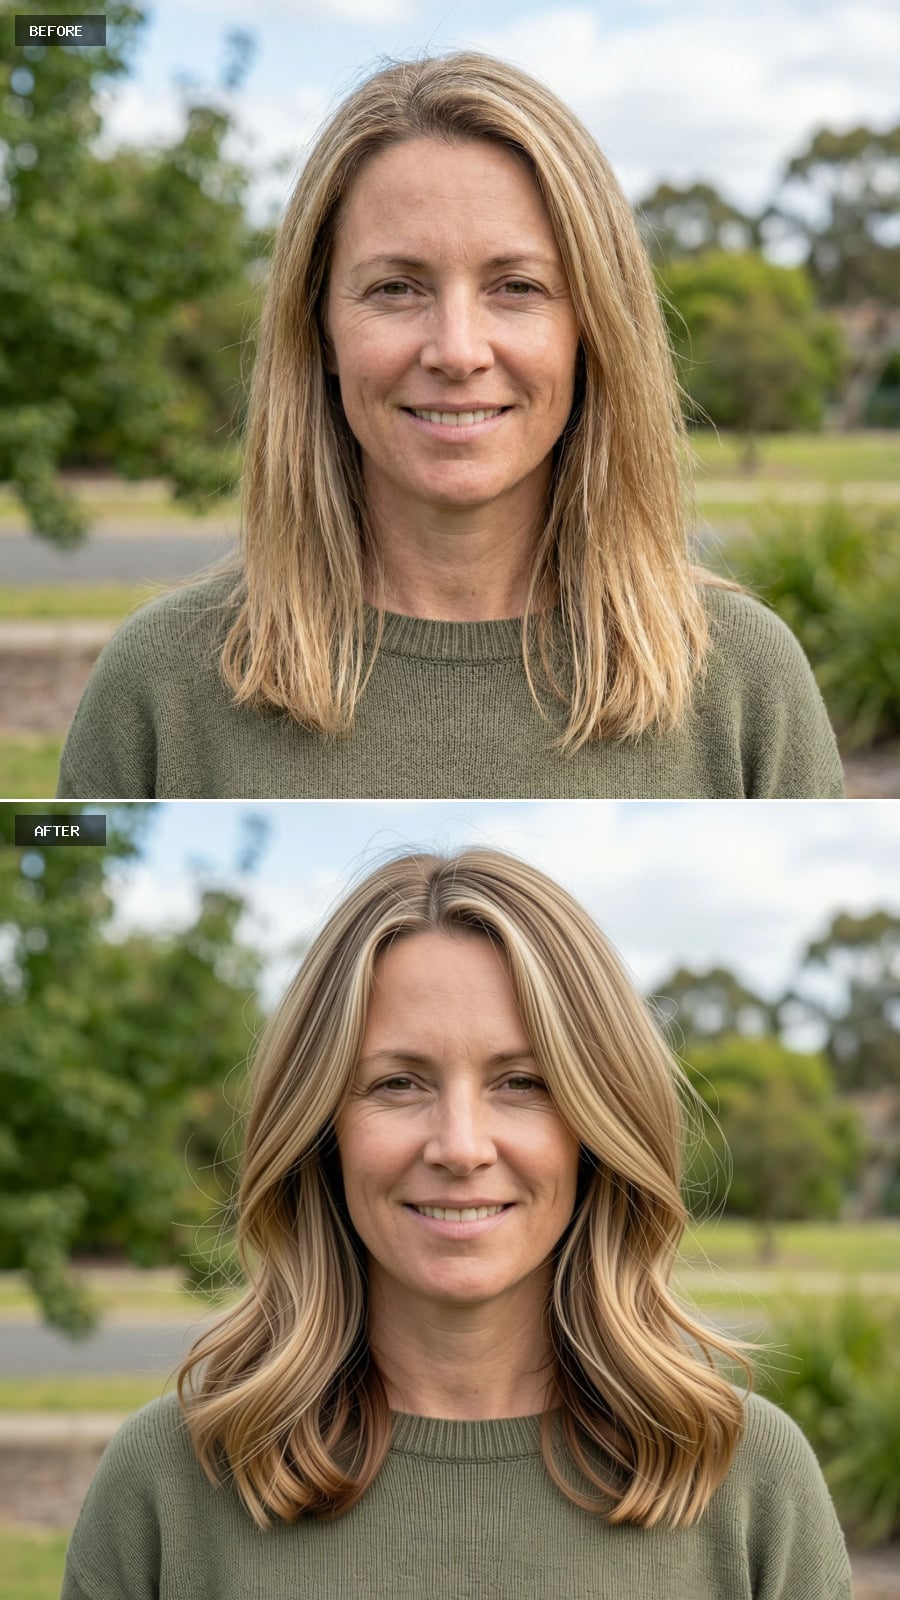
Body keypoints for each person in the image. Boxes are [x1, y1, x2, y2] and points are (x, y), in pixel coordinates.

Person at [61, 849, 852, 1599]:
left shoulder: (749, 1476)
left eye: (521, 1081)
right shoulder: (168, 1480)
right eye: (399, 1083)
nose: (461, 1147)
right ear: (320, 1129)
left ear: (598, 1128)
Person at [56, 52, 843, 800]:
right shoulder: (158, 687)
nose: (457, 351)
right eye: (396, 288)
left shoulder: (744, 679)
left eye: (517, 287)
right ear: (319, 327)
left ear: (592, 329)